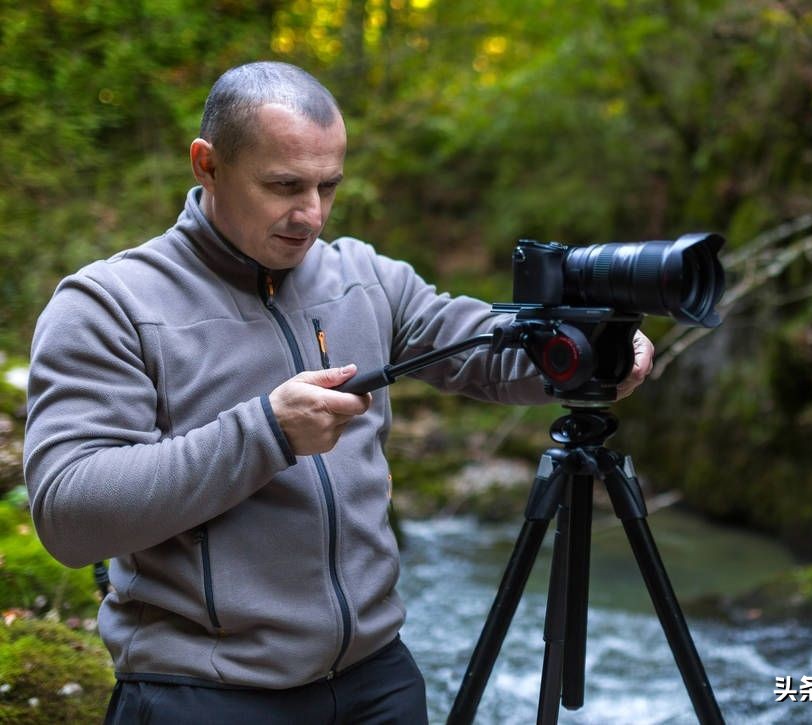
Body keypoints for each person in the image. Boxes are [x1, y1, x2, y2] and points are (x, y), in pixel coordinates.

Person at [23, 61, 653, 723]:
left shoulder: (362, 277)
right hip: (203, 691)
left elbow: (479, 348)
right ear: (207, 164)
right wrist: (266, 432)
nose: (312, 214)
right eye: (284, 186)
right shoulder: (110, 304)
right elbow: (69, 515)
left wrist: (591, 348)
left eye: (329, 186)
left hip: (377, 681)